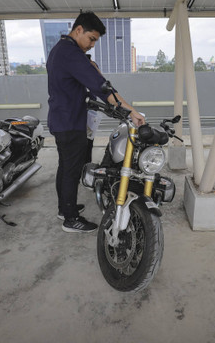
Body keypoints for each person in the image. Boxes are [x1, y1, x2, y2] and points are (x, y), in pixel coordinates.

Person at [47, 12, 145, 233]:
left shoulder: (59, 49)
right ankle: (70, 219)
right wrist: (131, 112)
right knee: (71, 170)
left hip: (61, 119)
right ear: (78, 30)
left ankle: (65, 208)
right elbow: (100, 87)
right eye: (91, 39)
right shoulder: (71, 54)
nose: (92, 45)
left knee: (65, 167)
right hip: (70, 122)